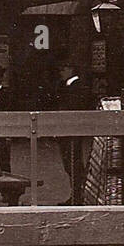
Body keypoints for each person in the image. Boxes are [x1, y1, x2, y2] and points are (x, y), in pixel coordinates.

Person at [55, 61, 92, 204]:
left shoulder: (76, 87)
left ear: (71, 69)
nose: (61, 72)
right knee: (70, 164)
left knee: (73, 164)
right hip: (68, 131)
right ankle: (76, 195)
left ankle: (77, 197)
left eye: (63, 68)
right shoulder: (68, 86)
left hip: (71, 131)